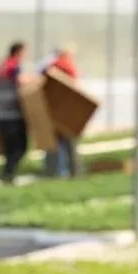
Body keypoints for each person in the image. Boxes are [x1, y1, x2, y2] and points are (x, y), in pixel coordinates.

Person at [0, 41, 29, 183]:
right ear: (19, 52)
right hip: (13, 114)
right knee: (20, 146)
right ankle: (8, 175)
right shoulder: (13, 67)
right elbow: (20, 84)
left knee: (9, 147)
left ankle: (7, 174)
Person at [39, 44, 82, 179]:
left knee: (53, 145)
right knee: (70, 144)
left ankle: (53, 172)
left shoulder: (48, 67)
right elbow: (75, 86)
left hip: (52, 111)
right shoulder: (66, 66)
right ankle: (72, 172)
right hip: (67, 111)